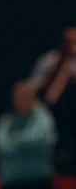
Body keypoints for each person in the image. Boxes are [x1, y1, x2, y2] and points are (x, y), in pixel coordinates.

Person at [28, 26, 76, 165]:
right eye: (68, 40)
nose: (71, 45)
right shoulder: (49, 60)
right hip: (50, 113)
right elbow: (33, 86)